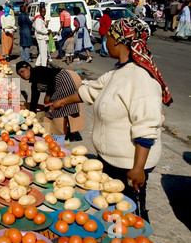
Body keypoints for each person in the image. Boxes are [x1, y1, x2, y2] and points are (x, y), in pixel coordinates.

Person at [47, 18, 173, 221]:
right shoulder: (118, 72)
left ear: (118, 42)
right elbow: (91, 91)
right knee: (110, 210)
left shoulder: (141, 78)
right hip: (110, 160)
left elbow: (147, 126)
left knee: (129, 212)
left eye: (108, 38)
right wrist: (61, 101)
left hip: (130, 164)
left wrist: (138, 168)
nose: (105, 43)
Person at [16, 61, 84, 140]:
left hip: (65, 78)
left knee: (57, 106)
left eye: (22, 72)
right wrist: (31, 114)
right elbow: (34, 98)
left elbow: (51, 78)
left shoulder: (38, 70)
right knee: (67, 104)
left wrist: (48, 95)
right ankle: (72, 132)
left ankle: (61, 134)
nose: (22, 75)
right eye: (20, 75)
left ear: (28, 68)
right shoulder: (34, 82)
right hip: (71, 77)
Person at [33, 3, 50, 67]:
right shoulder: (38, 19)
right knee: (44, 55)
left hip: (43, 38)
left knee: (42, 53)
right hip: (41, 38)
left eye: (44, 12)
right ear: (40, 12)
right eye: (42, 11)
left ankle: (37, 64)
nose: (44, 13)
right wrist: (47, 31)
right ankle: (43, 66)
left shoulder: (42, 18)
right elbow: (38, 29)